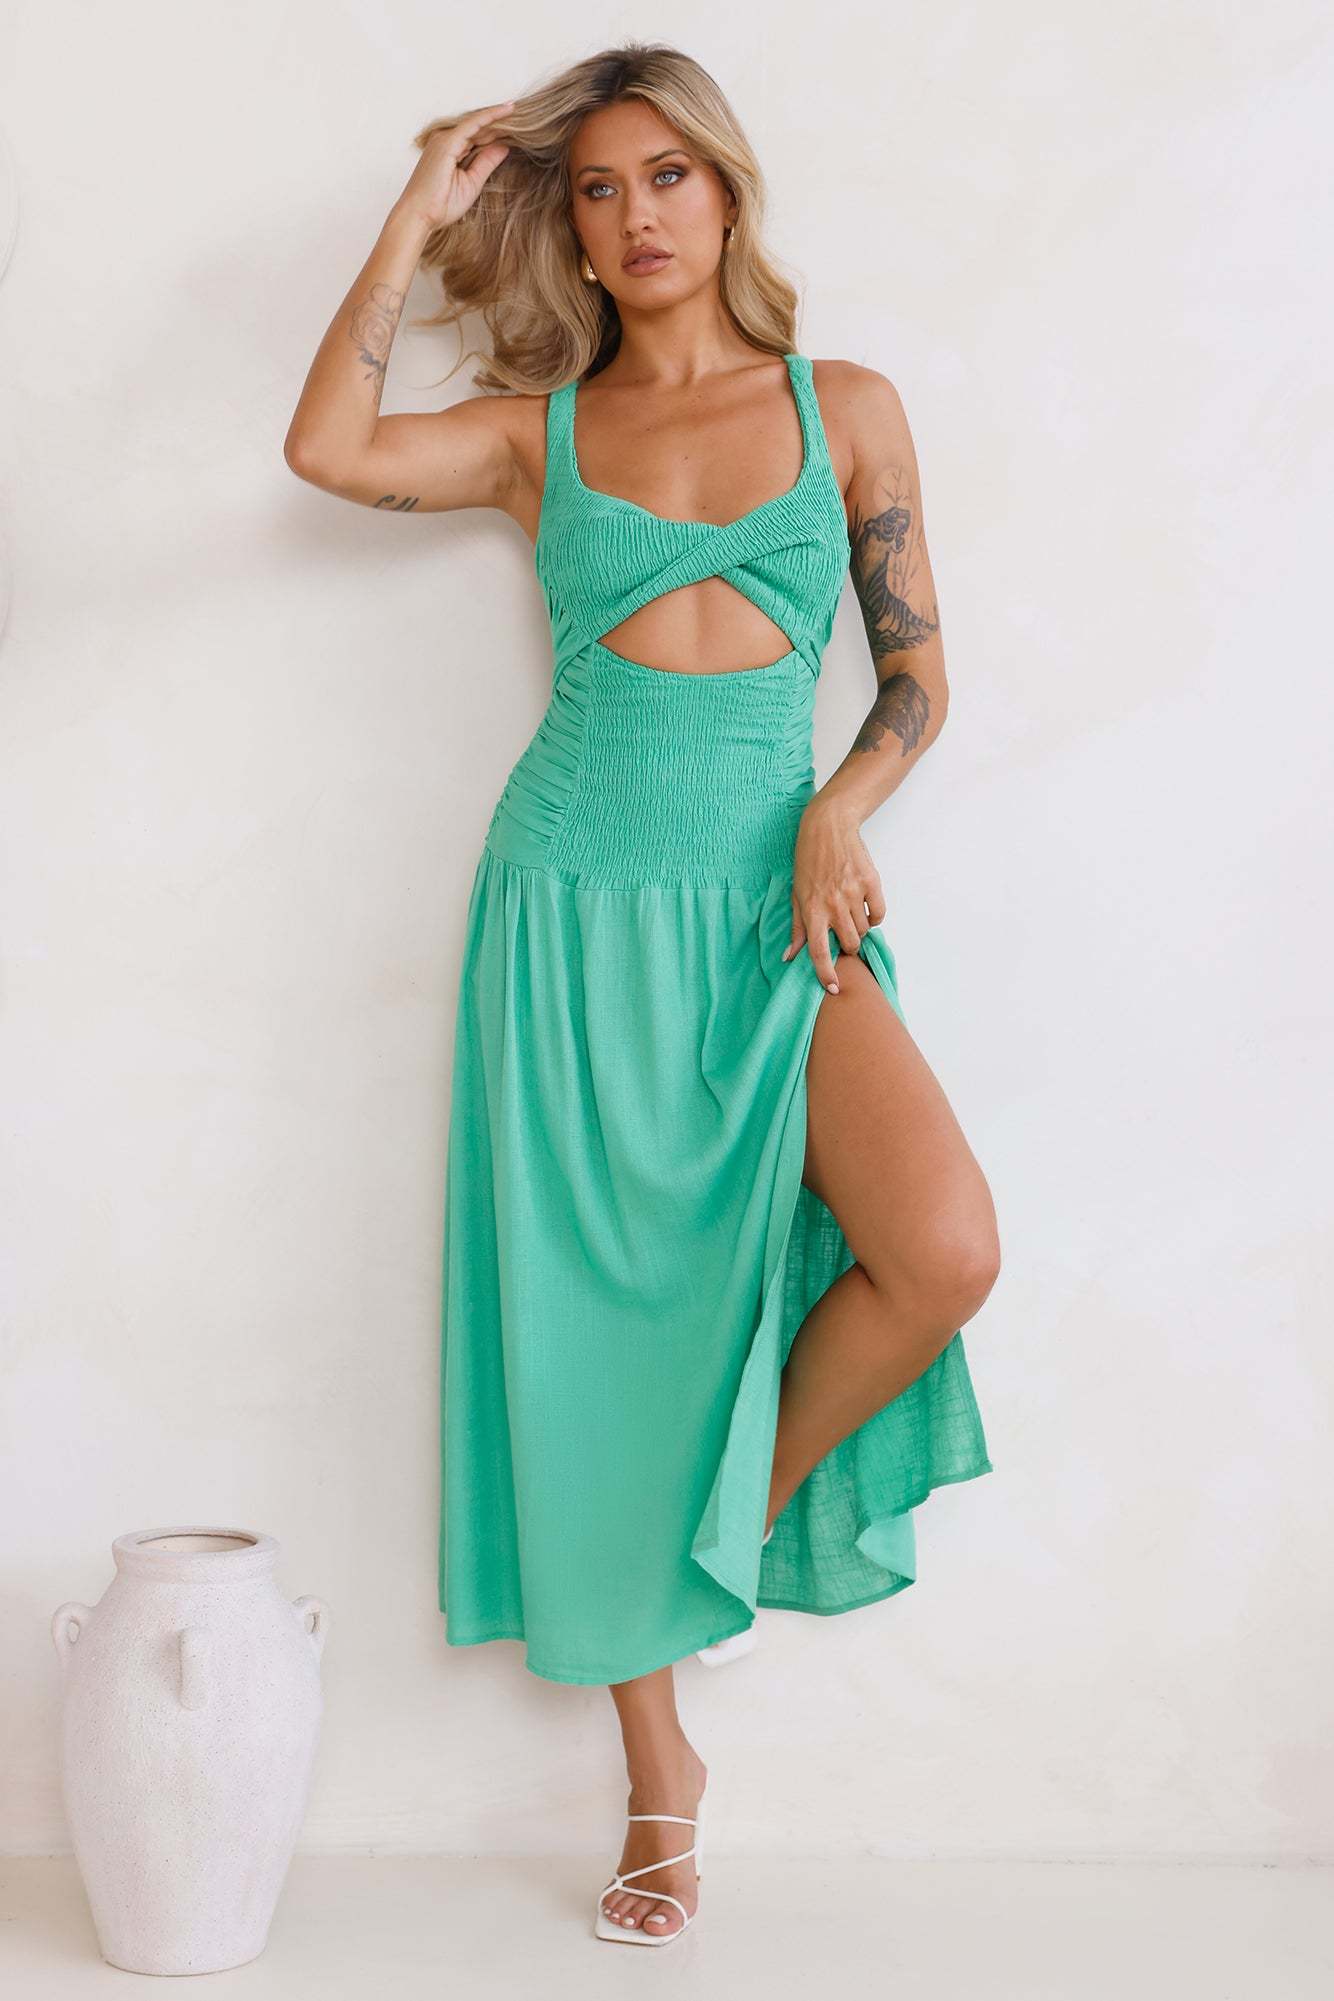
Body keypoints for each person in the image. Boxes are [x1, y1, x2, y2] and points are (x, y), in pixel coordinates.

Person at [284, 40, 1000, 1949]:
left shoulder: (845, 406)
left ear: (727, 190)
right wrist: (415, 211)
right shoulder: (544, 434)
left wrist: (837, 806)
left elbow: (918, 681)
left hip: (778, 898)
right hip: (571, 906)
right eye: (596, 189)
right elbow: (330, 453)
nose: (634, 215)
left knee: (939, 1248)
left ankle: (710, 1531)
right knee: (604, 1334)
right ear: (575, 232)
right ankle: (658, 1778)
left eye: (665, 175)